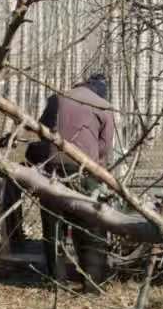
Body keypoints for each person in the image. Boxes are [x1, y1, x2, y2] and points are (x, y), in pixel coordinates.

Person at [27, 72, 117, 284]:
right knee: (90, 226)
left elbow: (42, 130)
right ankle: (92, 282)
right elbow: (105, 146)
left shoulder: (57, 98)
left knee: (53, 226)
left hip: (53, 170)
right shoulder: (104, 106)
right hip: (85, 170)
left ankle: (56, 281)